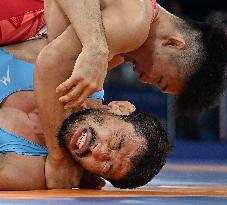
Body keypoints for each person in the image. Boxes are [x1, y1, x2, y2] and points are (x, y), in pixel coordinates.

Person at [35, 0, 227, 188]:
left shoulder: (124, 42)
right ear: (173, 43)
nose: (144, 80)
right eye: (159, 80)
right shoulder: (134, 25)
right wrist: (59, 158)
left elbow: (58, 91)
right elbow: (51, 62)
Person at [0, 42, 172, 191]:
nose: (100, 151)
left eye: (106, 166)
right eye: (115, 142)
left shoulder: (26, 171)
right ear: (120, 108)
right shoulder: (80, 60)